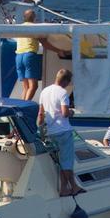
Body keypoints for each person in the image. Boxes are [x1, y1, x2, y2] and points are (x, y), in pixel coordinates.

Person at [38, 68, 80, 196]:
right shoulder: (62, 93)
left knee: (60, 162)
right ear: (66, 80)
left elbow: (40, 113)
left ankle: (64, 188)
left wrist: (40, 129)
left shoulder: (44, 91)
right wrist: (72, 112)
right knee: (67, 161)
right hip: (63, 130)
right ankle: (73, 186)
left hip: (51, 131)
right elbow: (65, 113)